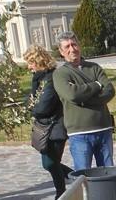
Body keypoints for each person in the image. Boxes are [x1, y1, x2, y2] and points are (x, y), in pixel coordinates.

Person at [52, 31, 116, 171]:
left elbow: (110, 91)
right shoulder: (60, 74)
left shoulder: (94, 68)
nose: (72, 49)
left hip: (103, 128)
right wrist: (96, 85)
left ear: (79, 46)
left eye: (74, 44)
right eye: (67, 46)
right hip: (79, 133)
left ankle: (106, 194)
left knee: (108, 173)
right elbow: (73, 95)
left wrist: (84, 100)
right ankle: (87, 195)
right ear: (61, 52)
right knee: (83, 175)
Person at [25, 45, 73, 198]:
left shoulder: (50, 78)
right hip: (47, 127)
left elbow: (43, 107)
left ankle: (62, 192)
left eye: (30, 62)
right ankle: (75, 179)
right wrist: (31, 104)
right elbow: (32, 99)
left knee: (50, 163)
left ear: (38, 61)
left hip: (56, 127)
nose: (28, 66)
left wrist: (31, 107)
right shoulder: (39, 78)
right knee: (51, 163)